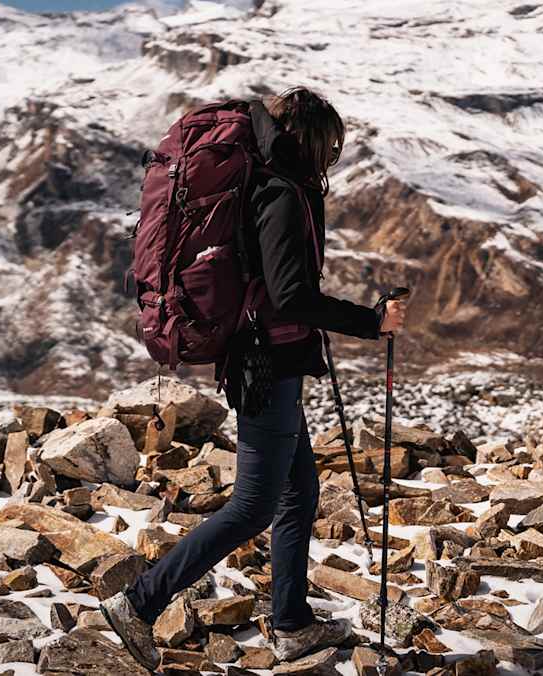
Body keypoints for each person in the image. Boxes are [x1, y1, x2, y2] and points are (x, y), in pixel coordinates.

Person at [102, 86, 408, 670]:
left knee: (299, 494)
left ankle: (292, 624)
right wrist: (371, 321)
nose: (332, 158)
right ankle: (138, 604)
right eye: (332, 146)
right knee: (252, 506)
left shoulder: (265, 183)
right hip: (266, 365)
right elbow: (292, 296)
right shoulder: (280, 193)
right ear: (316, 142)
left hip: (270, 361)